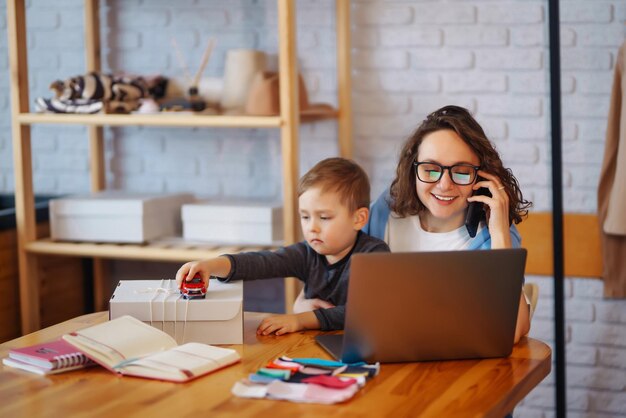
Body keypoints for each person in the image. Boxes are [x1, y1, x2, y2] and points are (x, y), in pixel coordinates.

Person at [363, 105, 533, 343]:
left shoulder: (493, 235)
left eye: (461, 172)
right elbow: (338, 277)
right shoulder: (387, 209)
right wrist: (304, 304)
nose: (444, 185)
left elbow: (512, 329)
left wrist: (500, 233)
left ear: (482, 176)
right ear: (413, 169)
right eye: (431, 170)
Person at [176, 157, 390, 336]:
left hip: (361, 349)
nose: (312, 228)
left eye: (324, 217)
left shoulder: (374, 254)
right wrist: (211, 266)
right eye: (305, 217)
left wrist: (301, 319)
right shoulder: (307, 253)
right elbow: (262, 263)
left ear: (359, 218)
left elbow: (367, 311)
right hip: (314, 344)